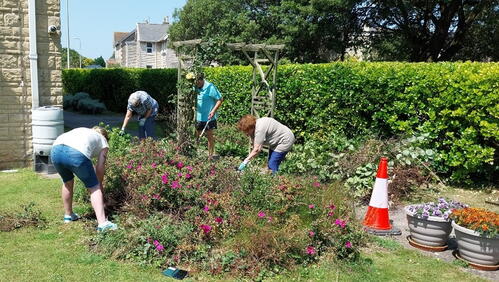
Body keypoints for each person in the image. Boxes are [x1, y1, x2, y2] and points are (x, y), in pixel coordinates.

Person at [50, 126, 117, 232]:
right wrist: (98, 183)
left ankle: (68, 215)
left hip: (55, 150)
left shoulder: (84, 131)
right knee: (94, 187)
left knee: (67, 182)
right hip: (76, 153)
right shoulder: (103, 141)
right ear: (105, 136)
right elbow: (100, 167)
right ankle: (103, 223)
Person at [195, 73, 223, 158]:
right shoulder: (195, 87)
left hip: (209, 117)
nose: (196, 85)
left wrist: (213, 111)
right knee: (196, 136)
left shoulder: (210, 87)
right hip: (198, 117)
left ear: (201, 80)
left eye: (198, 82)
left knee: (209, 136)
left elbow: (220, 99)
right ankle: (196, 154)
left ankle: (210, 156)